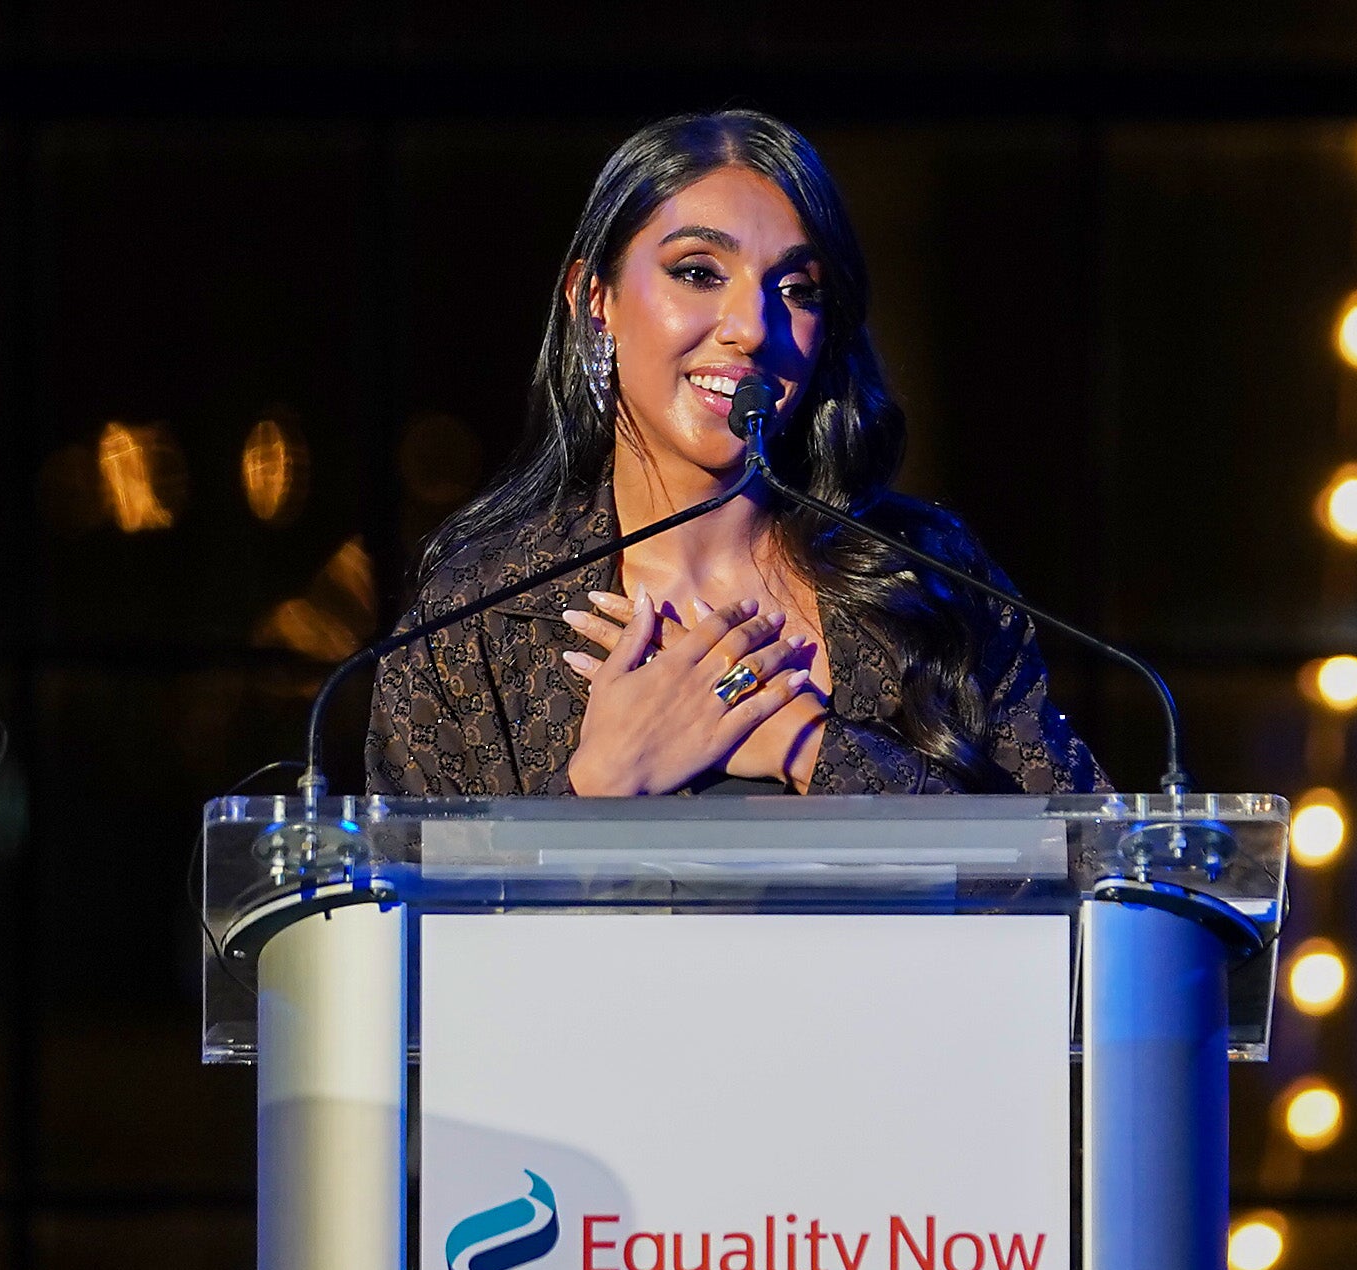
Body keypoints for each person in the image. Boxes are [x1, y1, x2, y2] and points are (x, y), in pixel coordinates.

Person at [365, 110, 1105, 798]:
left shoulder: (928, 579)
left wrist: (803, 741)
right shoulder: (481, 613)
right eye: (697, 273)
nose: (752, 328)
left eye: (796, 289)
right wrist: (597, 788)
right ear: (596, 299)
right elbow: (411, 907)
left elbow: (1087, 863)